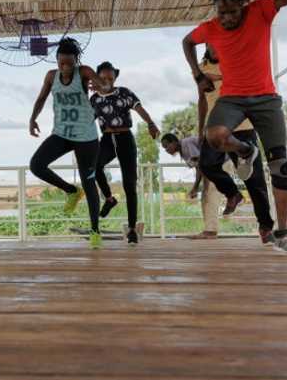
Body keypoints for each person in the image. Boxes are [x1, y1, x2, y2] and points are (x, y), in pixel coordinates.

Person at [181, 0, 287, 255]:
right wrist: (198, 75)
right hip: (232, 99)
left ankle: (282, 232)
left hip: (266, 99)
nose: (227, 18)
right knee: (214, 136)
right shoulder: (210, 28)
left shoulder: (260, 10)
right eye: (222, 13)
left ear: (243, 5)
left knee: (280, 166)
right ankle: (245, 151)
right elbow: (187, 42)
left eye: (233, 12)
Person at [28, 38, 113, 248]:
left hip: (86, 137)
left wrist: (102, 87)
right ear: (57, 60)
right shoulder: (51, 76)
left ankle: (95, 232)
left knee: (89, 182)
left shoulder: (83, 72)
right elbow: (41, 98)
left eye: (69, 63)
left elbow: (104, 87)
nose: (65, 67)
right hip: (62, 133)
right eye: (62, 62)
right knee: (36, 165)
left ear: (76, 61)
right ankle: (71, 191)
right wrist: (33, 118)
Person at [197, 49, 277, 245]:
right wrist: (201, 129)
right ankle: (232, 193)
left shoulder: (236, 58)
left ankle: (266, 227)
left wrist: (217, 77)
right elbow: (202, 99)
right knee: (207, 164)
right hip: (215, 127)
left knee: (255, 181)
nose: (215, 45)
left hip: (243, 126)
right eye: (211, 42)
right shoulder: (201, 68)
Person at [88, 61, 159, 245]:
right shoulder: (94, 99)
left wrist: (151, 124)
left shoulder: (124, 93)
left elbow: (139, 108)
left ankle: (132, 230)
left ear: (115, 78)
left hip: (125, 138)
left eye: (110, 78)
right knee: (95, 166)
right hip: (106, 139)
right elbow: (87, 120)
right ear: (97, 78)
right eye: (103, 78)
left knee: (129, 184)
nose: (107, 81)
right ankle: (109, 199)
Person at [159, 132, 219, 237]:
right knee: (206, 197)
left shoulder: (186, 144)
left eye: (167, 146)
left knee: (210, 196)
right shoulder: (183, 151)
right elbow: (199, 167)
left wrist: (195, 187)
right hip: (211, 167)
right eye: (164, 148)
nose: (167, 150)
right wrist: (197, 186)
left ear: (174, 142)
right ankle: (209, 229)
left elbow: (200, 164)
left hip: (219, 163)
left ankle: (211, 231)